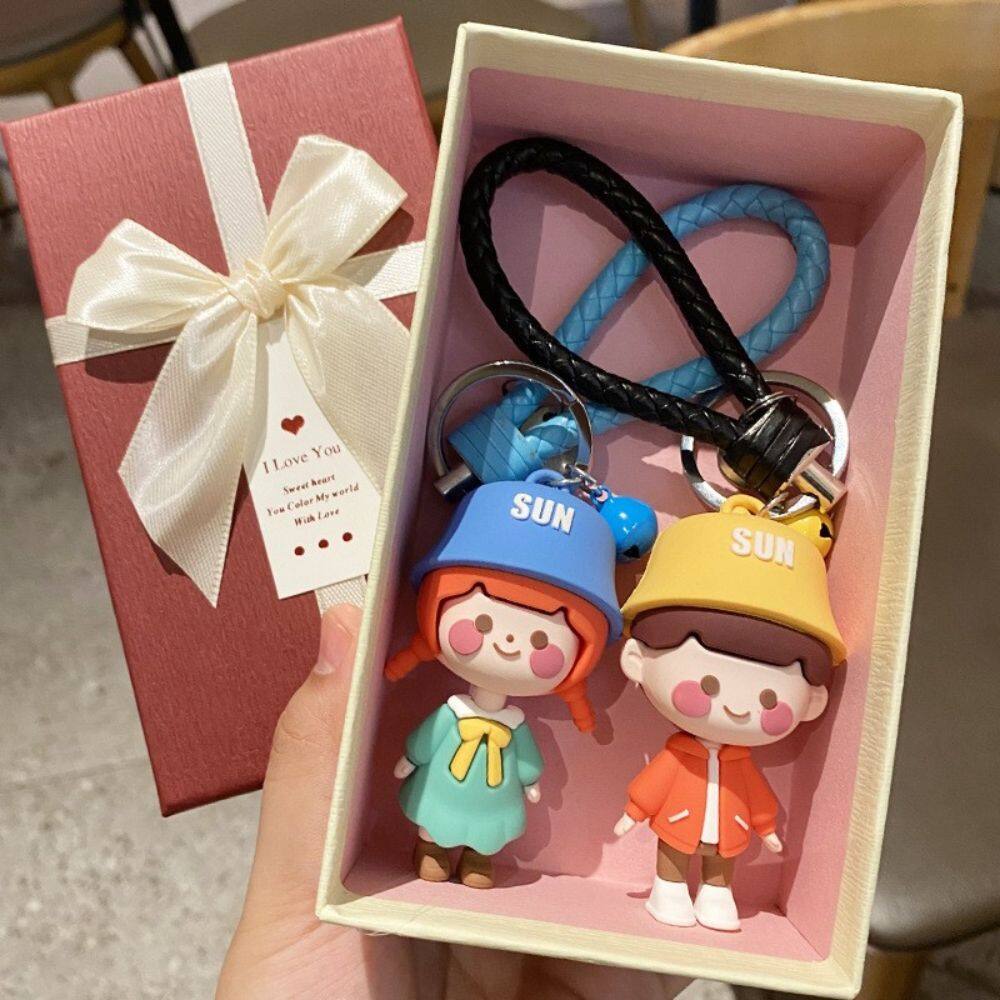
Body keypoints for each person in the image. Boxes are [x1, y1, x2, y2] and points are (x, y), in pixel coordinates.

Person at [217, 604, 691, 1000]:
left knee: (486, 832)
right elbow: (426, 741)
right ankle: (434, 852)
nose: (508, 646)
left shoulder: (514, 725)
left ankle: (477, 860)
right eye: (483, 624)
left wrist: (529, 781)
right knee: (435, 822)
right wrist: (410, 759)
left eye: (537, 642)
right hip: (444, 788)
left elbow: (526, 759)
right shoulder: (452, 713)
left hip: (492, 798)